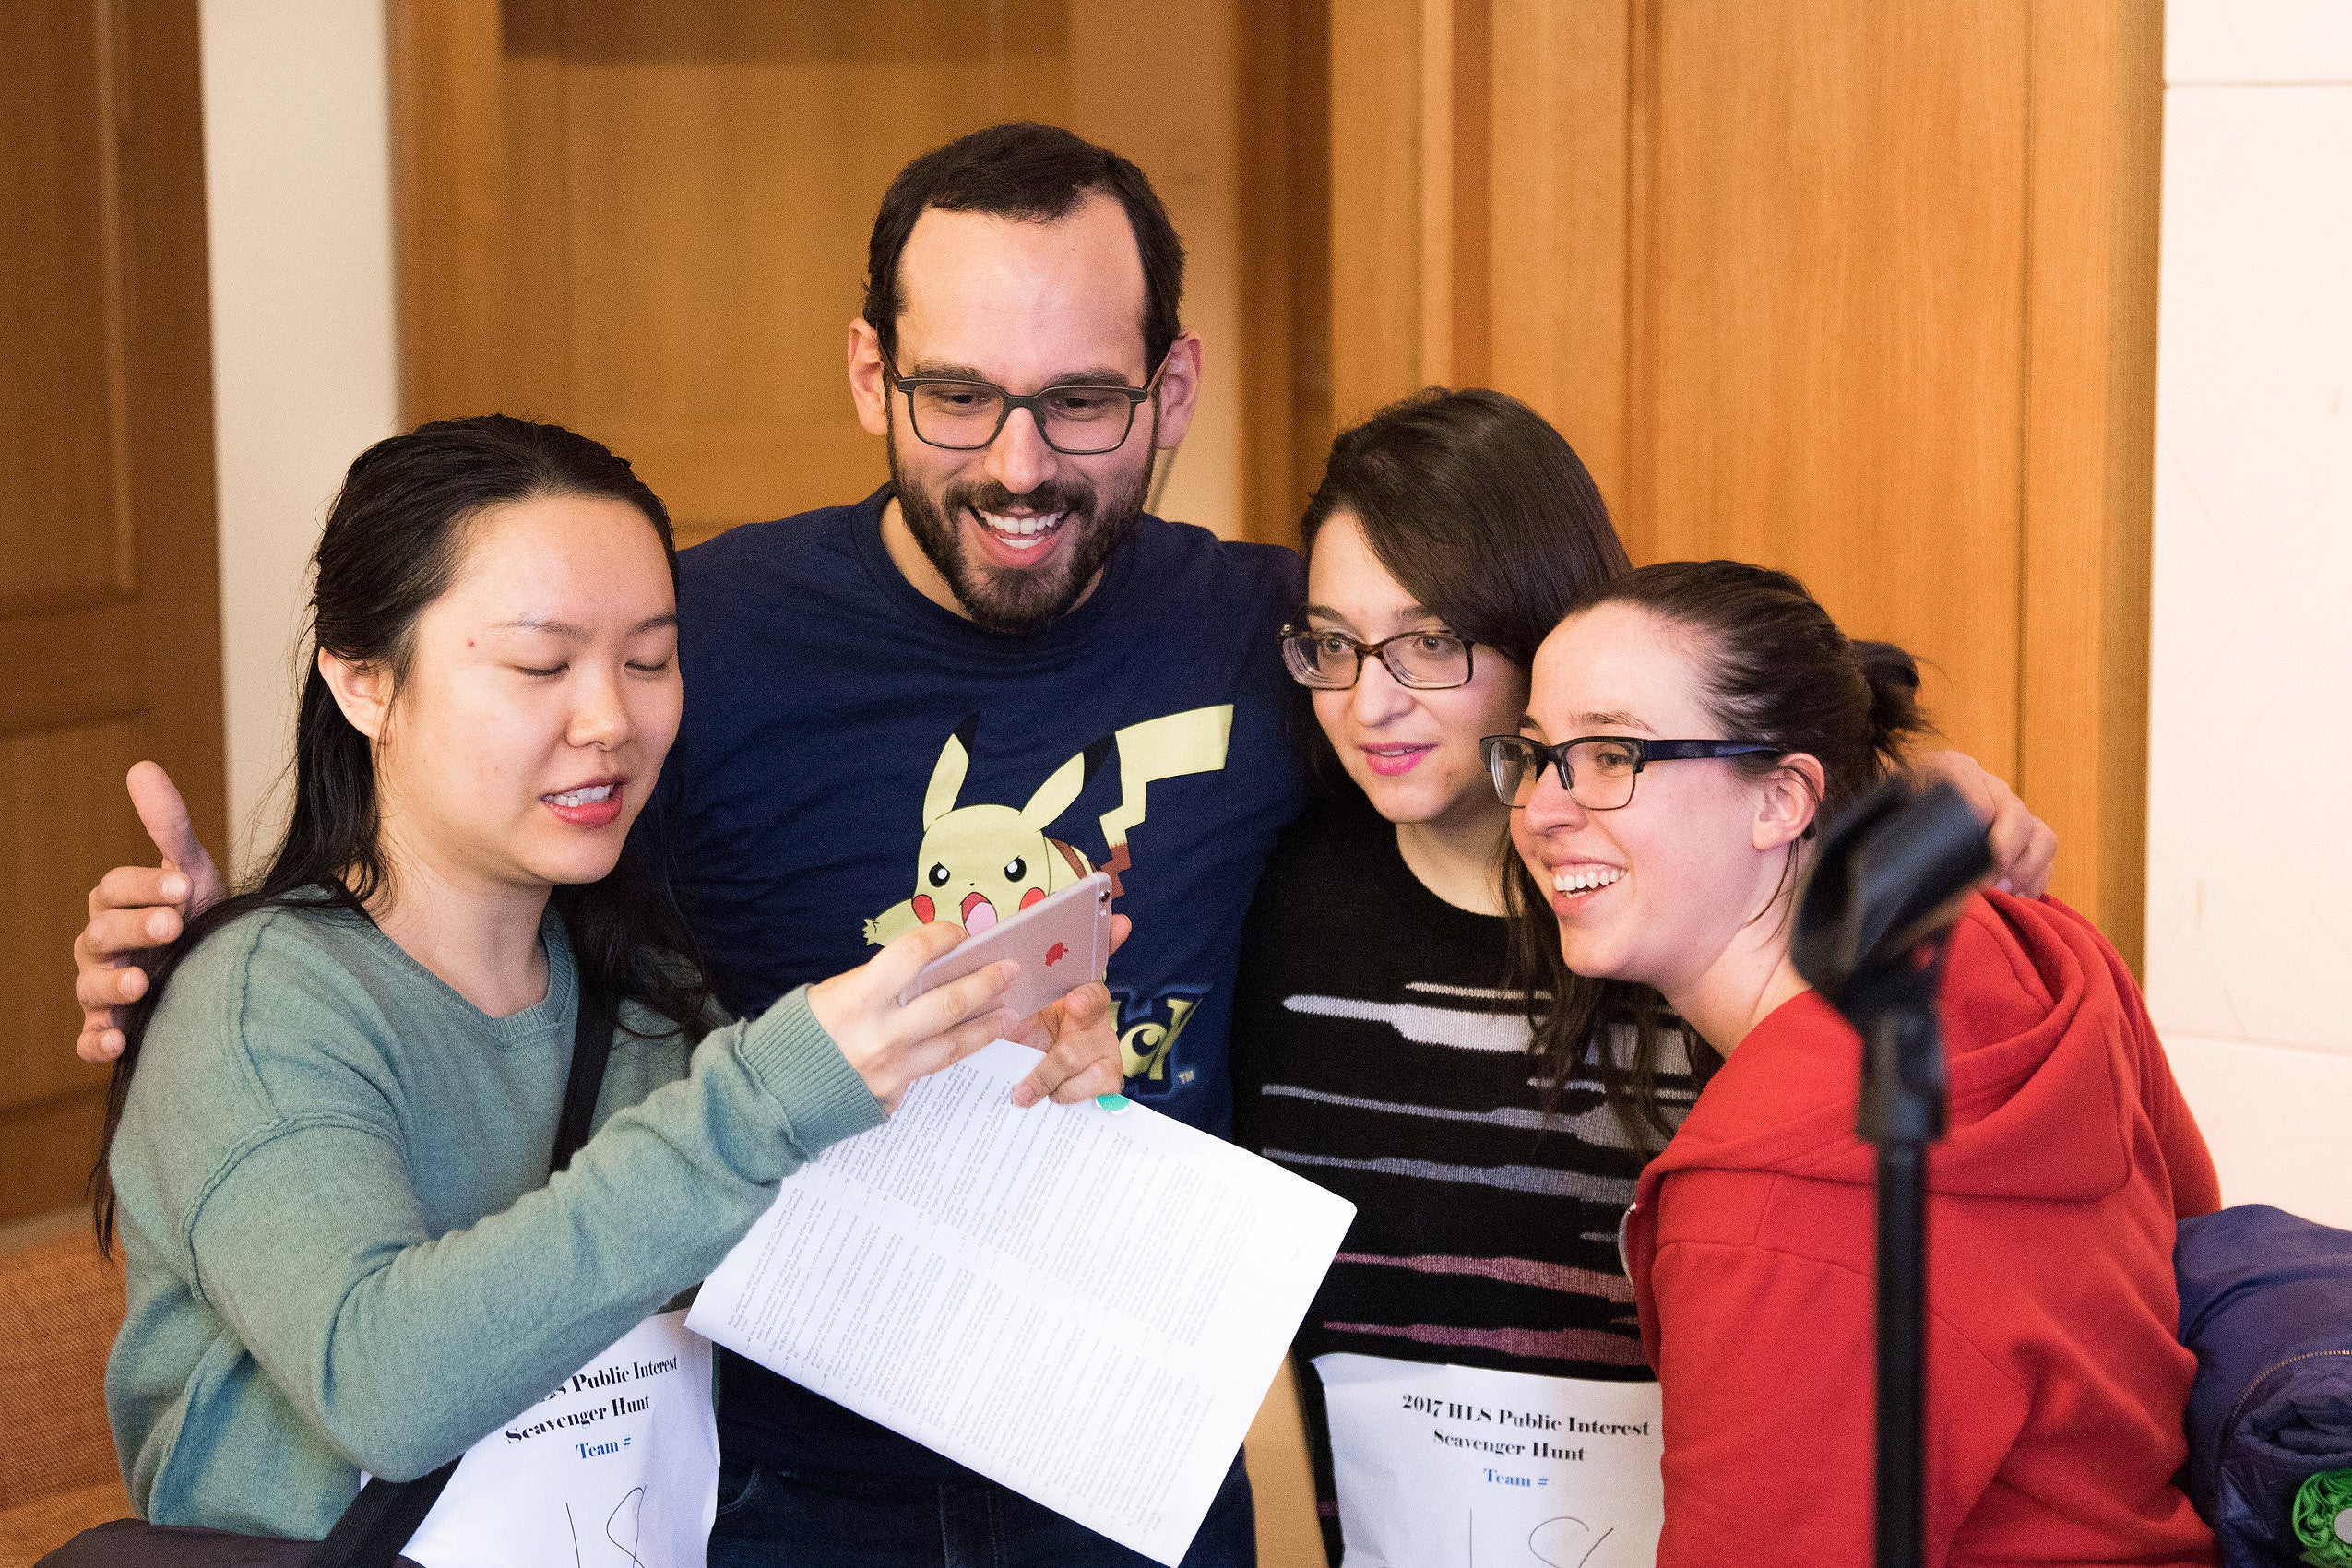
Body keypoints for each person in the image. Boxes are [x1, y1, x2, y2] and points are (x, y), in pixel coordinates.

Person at [68, 126, 2053, 1564]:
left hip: (1130, 1443)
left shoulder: (1292, 640)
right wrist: (253, 950)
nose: (1020, 463)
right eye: (960, 395)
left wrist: (1900, 807)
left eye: (1084, 401)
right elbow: (480, 846)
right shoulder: (699, 645)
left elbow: (1598, 688)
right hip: (764, 1462)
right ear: (874, 377)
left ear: (1168, 390)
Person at [96, 414, 1124, 1545]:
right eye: (542, 663)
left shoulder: (640, 996)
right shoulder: (262, 1005)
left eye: (649, 660)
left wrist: (997, 1085)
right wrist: (769, 1095)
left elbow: (826, 1287)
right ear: (363, 682)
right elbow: (386, 1386)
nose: (612, 720)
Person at [1227, 388, 2058, 1563]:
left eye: (1428, 642)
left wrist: (1948, 813)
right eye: (1333, 642)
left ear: (1548, 632)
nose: (1370, 700)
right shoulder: (1277, 888)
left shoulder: (1696, 915)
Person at [1499, 558, 2218, 1567]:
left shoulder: (1763, 1205)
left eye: (1612, 754)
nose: (1540, 809)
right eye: (1535, 756)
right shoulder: (2041, 955)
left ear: (1784, 797)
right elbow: (2195, 1247)